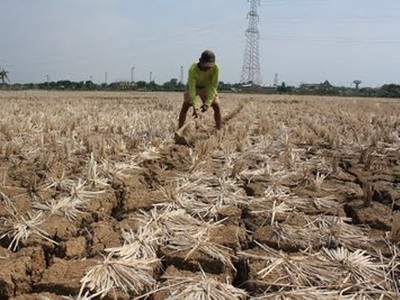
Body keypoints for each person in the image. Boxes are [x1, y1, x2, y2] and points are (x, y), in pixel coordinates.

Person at [178, 50, 221, 130]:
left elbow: (213, 86)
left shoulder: (215, 69)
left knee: (217, 106)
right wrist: (195, 107)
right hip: (193, 87)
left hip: (207, 88)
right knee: (185, 106)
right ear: (200, 61)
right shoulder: (193, 70)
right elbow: (192, 90)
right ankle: (180, 129)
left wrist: (207, 104)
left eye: (210, 66)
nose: (208, 68)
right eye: (206, 65)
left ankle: (218, 129)